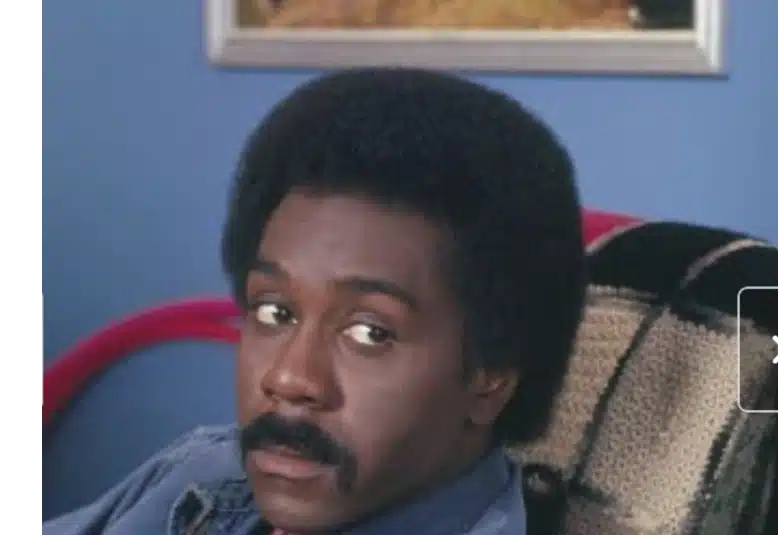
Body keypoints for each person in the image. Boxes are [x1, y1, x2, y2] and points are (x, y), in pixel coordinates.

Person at [42, 67, 586, 535]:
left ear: (490, 377)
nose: (289, 378)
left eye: (370, 333)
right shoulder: (206, 472)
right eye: (274, 312)